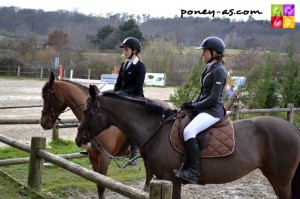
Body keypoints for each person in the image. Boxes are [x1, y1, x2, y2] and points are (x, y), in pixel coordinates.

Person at [174, 36, 227, 183]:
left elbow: (213, 98)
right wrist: (191, 103)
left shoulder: (220, 71)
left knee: (189, 131)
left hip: (213, 111)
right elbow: (203, 92)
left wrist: (195, 106)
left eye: (204, 51)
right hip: (204, 108)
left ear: (214, 52)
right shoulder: (210, 67)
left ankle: (193, 172)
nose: (202, 54)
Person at [114, 37, 146, 165]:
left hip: (135, 99)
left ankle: (133, 152)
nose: (124, 52)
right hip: (123, 97)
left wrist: (123, 93)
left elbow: (137, 87)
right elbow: (118, 84)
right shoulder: (124, 64)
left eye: (126, 49)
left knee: (130, 122)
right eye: (124, 49)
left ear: (134, 51)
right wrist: (114, 93)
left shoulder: (140, 66)